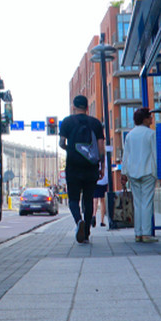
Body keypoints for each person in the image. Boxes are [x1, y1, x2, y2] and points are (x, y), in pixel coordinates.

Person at [59, 95, 105, 244]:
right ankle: (86, 233)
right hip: (90, 167)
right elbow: (100, 149)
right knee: (88, 199)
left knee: (73, 199)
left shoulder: (67, 122)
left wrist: (71, 150)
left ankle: (78, 221)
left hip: (73, 166)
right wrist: (101, 166)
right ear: (87, 108)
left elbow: (61, 143)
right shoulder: (96, 123)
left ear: (74, 107)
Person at [121, 107, 159, 243]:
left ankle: (138, 233)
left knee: (137, 203)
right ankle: (146, 233)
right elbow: (155, 155)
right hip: (148, 171)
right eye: (150, 117)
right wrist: (159, 175)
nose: (152, 119)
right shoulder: (151, 134)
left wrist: (123, 173)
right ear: (145, 119)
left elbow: (126, 156)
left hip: (133, 172)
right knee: (147, 203)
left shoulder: (130, 135)